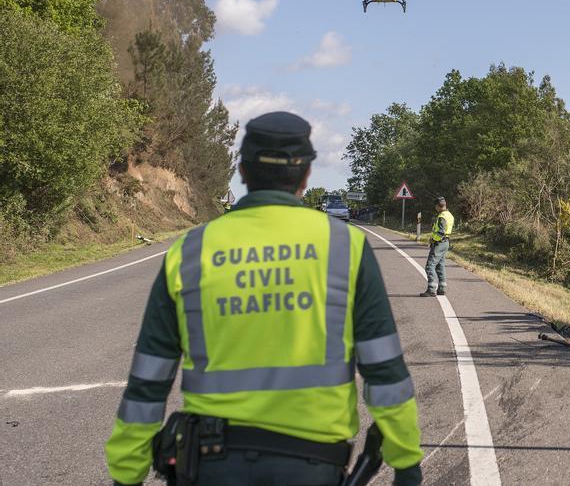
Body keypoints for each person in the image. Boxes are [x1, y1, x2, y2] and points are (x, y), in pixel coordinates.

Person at [105, 111, 422, 486]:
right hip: (314, 465)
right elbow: (384, 369)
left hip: (210, 464)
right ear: (305, 175)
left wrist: (127, 473)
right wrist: (406, 463)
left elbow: (149, 377)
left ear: (241, 170)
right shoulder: (345, 246)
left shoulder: (191, 250)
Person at [420, 197, 454, 297]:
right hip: (446, 242)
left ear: (438, 206)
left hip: (439, 243)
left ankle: (431, 289)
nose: (435, 208)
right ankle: (442, 289)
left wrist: (433, 239)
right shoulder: (450, 215)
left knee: (430, 266)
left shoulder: (442, 216)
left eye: (435, 206)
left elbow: (440, 232)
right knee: (440, 265)